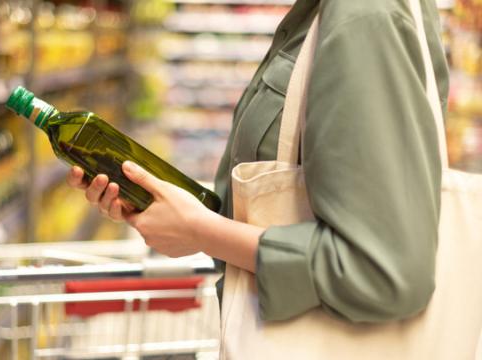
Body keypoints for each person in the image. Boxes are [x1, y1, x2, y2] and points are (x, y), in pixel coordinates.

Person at [66, 0, 448, 323]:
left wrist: (201, 231)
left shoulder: (363, 15)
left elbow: (384, 274)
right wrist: (171, 209)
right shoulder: (321, 13)